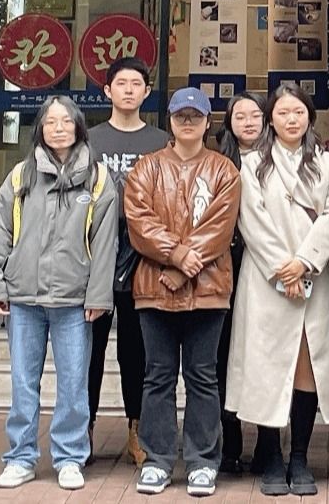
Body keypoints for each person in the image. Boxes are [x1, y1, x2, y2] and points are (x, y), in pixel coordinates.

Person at [0, 96, 118, 492]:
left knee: (74, 383)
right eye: (51, 122)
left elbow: (105, 243)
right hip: (24, 298)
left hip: (73, 301)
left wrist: (98, 297)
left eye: (66, 121)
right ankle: (20, 457)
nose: (59, 128)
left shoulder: (98, 179)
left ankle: (70, 457)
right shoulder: (20, 177)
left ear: (78, 127)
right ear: (40, 128)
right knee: (24, 382)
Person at [226, 84, 329, 497]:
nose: (291, 119)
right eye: (283, 113)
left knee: (307, 367)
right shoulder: (253, 165)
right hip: (266, 281)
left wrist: (304, 263)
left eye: (298, 112)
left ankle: (299, 456)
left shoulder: (328, 164)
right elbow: (251, 221)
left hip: (313, 277)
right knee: (267, 367)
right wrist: (284, 269)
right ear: (271, 119)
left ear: (309, 117)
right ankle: (272, 457)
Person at [124, 87, 241, 498]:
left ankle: (202, 461)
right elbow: (139, 221)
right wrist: (175, 257)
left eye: (195, 116)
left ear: (207, 122)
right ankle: (156, 460)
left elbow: (221, 227)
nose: (188, 122)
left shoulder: (224, 170)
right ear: (170, 121)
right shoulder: (147, 168)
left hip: (208, 290)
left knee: (202, 376)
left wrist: (181, 267)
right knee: (157, 376)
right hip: (154, 289)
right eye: (180, 116)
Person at [86, 57, 169, 467]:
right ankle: (83, 428)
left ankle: (138, 430)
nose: (129, 90)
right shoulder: (89, 140)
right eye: (121, 83)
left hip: (142, 257)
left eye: (137, 83)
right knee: (90, 347)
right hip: (94, 256)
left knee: (137, 350)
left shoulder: (160, 141)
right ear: (107, 90)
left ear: (147, 91)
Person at [213, 91, 266, 474]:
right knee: (222, 358)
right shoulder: (218, 163)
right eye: (240, 116)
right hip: (223, 268)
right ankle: (228, 443)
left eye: (255, 115)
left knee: (264, 357)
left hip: (265, 269)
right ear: (229, 124)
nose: (248, 122)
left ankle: (267, 445)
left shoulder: (280, 161)